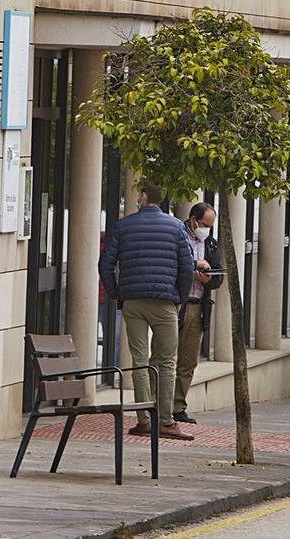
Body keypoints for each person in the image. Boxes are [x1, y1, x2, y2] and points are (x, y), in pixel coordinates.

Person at [98, 182, 195, 440]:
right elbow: (187, 268)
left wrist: (117, 293)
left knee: (139, 361)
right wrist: (180, 299)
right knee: (166, 361)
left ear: (143, 197)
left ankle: (143, 419)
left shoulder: (123, 226)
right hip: (165, 302)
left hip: (134, 302)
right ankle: (165, 420)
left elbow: (105, 264)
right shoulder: (176, 227)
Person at [173, 202, 224, 424]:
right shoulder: (177, 236)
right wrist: (192, 269)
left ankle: (177, 406)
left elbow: (219, 278)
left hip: (198, 306)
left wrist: (208, 279)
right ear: (194, 220)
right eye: (204, 224)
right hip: (175, 305)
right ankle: (156, 404)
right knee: (162, 358)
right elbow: (171, 265)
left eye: (210, 226)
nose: (207, 229)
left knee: (188, 361)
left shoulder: (211, 244)